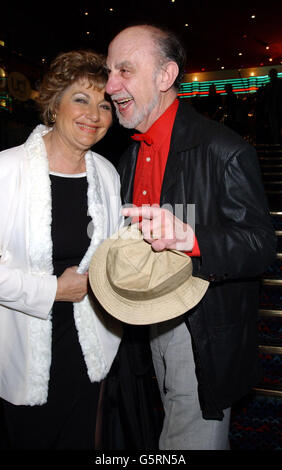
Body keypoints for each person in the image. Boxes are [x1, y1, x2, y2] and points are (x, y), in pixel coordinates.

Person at [105, 24, 277, 450]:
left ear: (166, 76)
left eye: (124, 71)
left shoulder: (226, 149)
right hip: (145, 319)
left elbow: (261, 245)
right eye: (109, 72)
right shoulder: (129, 154)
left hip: (202, 323)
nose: (110, 86)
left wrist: (194, 239)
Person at [0, 50, 123, 450]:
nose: (95, 114)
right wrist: (53, 290)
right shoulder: (7, 170)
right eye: (81, 99)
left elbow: (111, 251)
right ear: (54, 105)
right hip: (22, 350)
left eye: (104, 104)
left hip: (89, 347)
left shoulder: (106, 173)